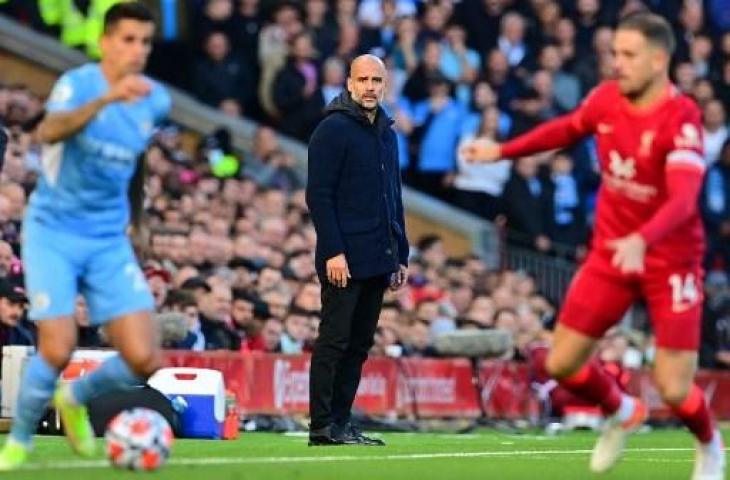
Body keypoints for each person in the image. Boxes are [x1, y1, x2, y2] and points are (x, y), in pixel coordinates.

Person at [462, 13, 725, 479]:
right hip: (611, 253)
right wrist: (501, 151)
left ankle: (709, 443)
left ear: (659, 59)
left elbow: (685, 200)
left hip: (670, 260)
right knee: (561, 362)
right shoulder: (606, 99)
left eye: (628, 55)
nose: (617, 64)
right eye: (615, 53)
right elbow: (563, 130)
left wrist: (643, 239)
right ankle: (622, 410)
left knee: (672, 388)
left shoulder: (681, 117)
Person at [0, 2, 171, 470]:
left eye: (145, 42)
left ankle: (74, 397)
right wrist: (106, 100)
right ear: (106, 42)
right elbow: (49, 131)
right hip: (53, 230)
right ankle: (18, 442)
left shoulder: (155, 99)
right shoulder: (78, 84)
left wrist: (138, 219)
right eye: (128, 40)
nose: (137, 51)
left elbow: (132, 158)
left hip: (106, 237)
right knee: (56, 346)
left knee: (144, 357)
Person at [306, 54, 408, 446]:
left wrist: (400, 253)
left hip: (378, 255)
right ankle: (321, 426)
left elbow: (393, 197)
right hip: (343, 257)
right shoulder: (332, 130)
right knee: (335, 340)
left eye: (376, 81)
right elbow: (318, 195)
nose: (369, 87)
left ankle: (341, 422)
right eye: (362, 79)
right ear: (349, 83)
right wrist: (333, 251)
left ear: (385, 86)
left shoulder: (387, 132)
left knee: (360, 344)